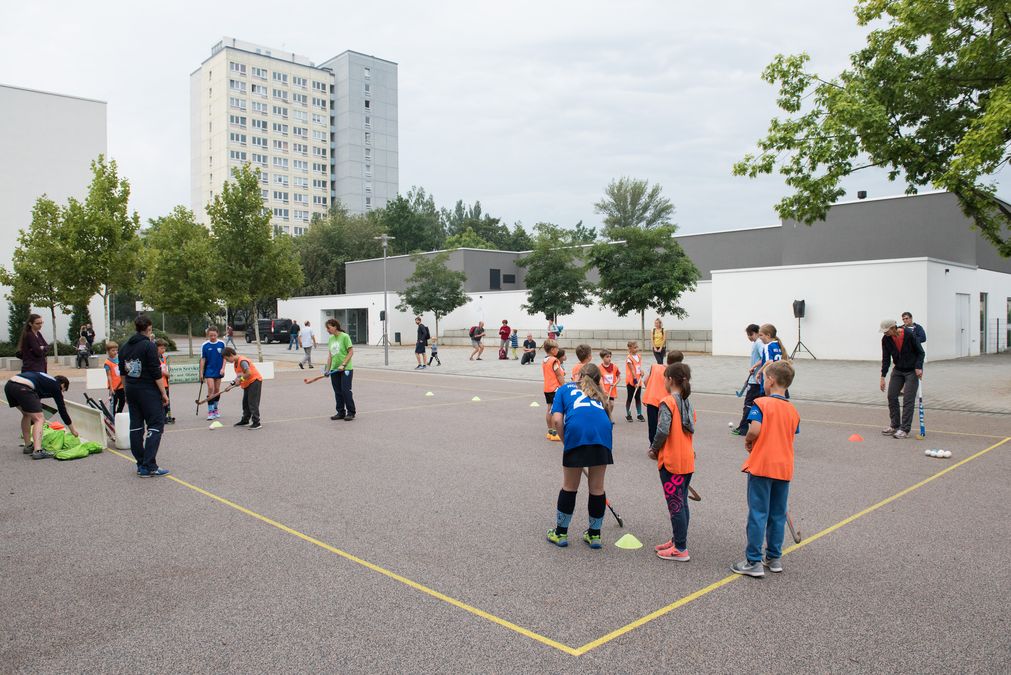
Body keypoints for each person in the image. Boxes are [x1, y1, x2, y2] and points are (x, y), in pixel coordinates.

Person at [732, 361, 800, 577]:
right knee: (777, 514)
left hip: (763, 465)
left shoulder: (760, 403)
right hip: (784, 466)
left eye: (764, 378)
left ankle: (753, 560)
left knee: (758, 513)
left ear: (770, 380)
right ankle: (774, 556)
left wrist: (749, 440)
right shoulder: (792, 409)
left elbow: (755, 429)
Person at [546, 363, 614, 550]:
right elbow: (608, 415)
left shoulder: (564, 388)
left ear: (578, 376)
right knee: (597, 487)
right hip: (602, 435)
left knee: (569, 486)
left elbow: (557, 419)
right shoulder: (600, 393)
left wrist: (565, 441)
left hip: (576, 434)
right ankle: (594, 535)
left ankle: (560, 533)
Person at [648, 362, 696, 561]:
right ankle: (678, 539)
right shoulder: (687, 402)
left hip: (672, 462)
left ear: (669, 380)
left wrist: (654, 448)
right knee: (682, 502)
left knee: (675, 504)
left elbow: (662, 430)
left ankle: (681, 548)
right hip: (686, 460)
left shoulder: (668, 401)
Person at [120, 315, 171, 477]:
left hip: (131, 388)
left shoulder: (124, 347)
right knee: (156, 424)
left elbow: (122, 372)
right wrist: (163, 393)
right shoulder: (149, 346)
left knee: (136, 426)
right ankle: (150, 465)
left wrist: (126, 390)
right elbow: (156, 373)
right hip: (148, 390)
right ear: (148, 328)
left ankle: (141, 463)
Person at [4, 372, 78, 459]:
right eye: (63, 390)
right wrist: (73, 430)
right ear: (62, 385)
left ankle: (28, 446)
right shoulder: (56, 386)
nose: (62, 393)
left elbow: (35, 399)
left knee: (27, 414)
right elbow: (62, 410)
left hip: (9, 386)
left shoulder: (46, 380)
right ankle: (38, 451)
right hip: (23, 387)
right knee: (39, 419)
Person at [879, 318, 924, 439]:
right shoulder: (886, 339)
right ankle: (895, 425)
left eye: (886, 331)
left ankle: (905, 429)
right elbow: (886, 359)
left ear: (893, 328)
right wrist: (883, 377)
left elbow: (921, 352)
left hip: (912, 371)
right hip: (898, 370)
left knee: (908, 400)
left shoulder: (909, 334)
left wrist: (919, 367)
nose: (885, 333)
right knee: (891, 396)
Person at [642, 351, 684, 444]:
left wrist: (651, 390)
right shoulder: (675, 373)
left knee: (652, 425)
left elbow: (645, 381)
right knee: (665, 425)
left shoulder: (654, 367)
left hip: (652, 400)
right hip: (666, 403)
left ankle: (652, 446)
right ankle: (664, 445)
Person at [732, 324, 764, 436]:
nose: (749, 337)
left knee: (748, 404)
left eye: (749, 335)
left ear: (754, 333)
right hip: (756, 380)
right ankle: (755, 428)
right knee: (757, 405)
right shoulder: (758, 343)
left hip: (755, 381)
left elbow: (763, 358)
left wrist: (754, 367)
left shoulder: (759, 343)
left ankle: (743, 429)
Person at [223, 347, 263, 429]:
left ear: (231, 355)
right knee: (245, 403)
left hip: (254, 381)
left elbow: (248, 373)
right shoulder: (236, 363)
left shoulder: (242, 361)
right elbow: (239, 376)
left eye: (227, 359)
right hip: (247, 383)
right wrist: (230, 385)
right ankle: (245, 420)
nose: (227, 361)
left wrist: (240, 380)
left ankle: (256, 422)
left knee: (252, 402)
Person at [326, 318, 356, 421]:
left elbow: (351, 352)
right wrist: (327, 369)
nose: (327, 330)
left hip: (346, 369)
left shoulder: (345, 337)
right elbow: (330, 356)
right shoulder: (330, 339)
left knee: (345, 390)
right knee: (337, 391)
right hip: (335, 369)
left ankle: (351, 412)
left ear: (335, 327)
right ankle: (340, 412)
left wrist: (343, 364)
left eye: (328, 328)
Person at [200, 326, 226, 420]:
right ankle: (210, 411)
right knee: (211, 388)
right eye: (211, 335)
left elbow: (224, 357)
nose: (213, 337)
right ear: (208, 335)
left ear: (217, 334)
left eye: (214, 335)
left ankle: (215, 409)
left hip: (218, 370)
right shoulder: (205, 345)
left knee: (217, 390)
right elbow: (203, 359)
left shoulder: (222, 343)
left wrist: (223, 368)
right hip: (209, 371)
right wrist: (201, 372)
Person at [541, 339, 565, 441]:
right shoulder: (554, 361)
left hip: (547, 388)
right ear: (552, 350)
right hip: (555, 388)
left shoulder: (545, 360)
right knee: (556, 411)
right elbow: (559, 375)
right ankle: (555, 433)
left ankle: (550, 431)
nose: (558, 350)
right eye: (556, 348)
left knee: (549, 409)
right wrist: (564, 386)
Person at [754, 324, 787, 396]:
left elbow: (769, 361)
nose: (759, 338)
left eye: (761, 335)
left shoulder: (768, 346)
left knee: (768, 403)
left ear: (768, 335)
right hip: (780, 379)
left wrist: (759, 372)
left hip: (770, 379)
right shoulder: (778, 345)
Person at [624, 341, 645, 423]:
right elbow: (632, 370)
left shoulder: (639, 357)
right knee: (630, 397)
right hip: (631, 381)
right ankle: (628, 414)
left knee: (637, 398)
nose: (637, 349)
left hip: (638, 380)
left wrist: (641, 371)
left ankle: (639, 414)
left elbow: (638, 367)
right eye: (635, 347)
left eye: (637, 347)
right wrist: (635, 381)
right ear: (630, 348)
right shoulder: (629, 358)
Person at [156, 338, 175, 424]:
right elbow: (157, 370)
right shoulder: (154, 358)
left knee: (166, 400)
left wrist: (167, 374)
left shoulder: (163, 357)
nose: (163, 350)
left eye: (164, 348)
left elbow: (164, 368)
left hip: (165, 382)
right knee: (160, 400)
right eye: (161, 348)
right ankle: (160, 416)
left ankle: (166, 415)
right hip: (158, 383)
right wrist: (164, 373)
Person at [104, 341, 125, 414]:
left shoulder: (120, 359)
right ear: (108, 351)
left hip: (121, 385)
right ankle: (112, 417)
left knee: (122, 401)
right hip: (114, 387)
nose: (115, 352)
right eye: (113, 350)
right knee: (113, 403)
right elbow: (109, 376)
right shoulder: (107, 363)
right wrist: (111, 388)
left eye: (116, 350)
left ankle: (119, 414)